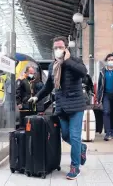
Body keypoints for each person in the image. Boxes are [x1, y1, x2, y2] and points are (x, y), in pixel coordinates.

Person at [28, 36, 88, 180]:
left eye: (60, 47)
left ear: (66, 48)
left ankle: (75, 167)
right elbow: (49, 86)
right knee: (65, 135)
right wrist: (37, 96)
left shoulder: (75, 61)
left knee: (74, 137)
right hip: (61, 107)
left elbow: (83, 73)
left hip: (76, 106)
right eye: (55, 48)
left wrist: (67, 61)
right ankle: (82, 148)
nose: (57, 50)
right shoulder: (52, 66)